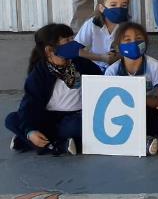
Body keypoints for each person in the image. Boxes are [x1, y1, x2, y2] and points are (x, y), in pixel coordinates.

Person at [6, 24, 102, 155]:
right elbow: (29, 103)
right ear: (50, 50)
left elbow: (100, 81)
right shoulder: (39, 72)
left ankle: (27, 141)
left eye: (72, 39)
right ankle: (59, 146)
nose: (73, 43)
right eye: (67, 41)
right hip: (46, 117)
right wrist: (30, 131)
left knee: (79, 125)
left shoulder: (82, 64)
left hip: (74, 117)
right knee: (12, 119)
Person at [105, 22, 158, 155]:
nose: (133, 43)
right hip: (121, 113)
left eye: (138, 39)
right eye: (127, 40)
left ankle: (145, 141)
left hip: (147, 111)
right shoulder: (112, 71)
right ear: (118, 46)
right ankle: (144, 142)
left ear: (146, 43)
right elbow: (108, 104)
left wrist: (138, 99)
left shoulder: (156, 67)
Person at [75, 0, 130, 71]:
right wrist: (101, 57)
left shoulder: (129, 27)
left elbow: (135, 50)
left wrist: (118, 57)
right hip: (95, 67)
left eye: (124, 5)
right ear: (101, 8)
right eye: (113, 5)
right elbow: (76, 50)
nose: (119, 9)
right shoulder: (92, 24)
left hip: (119, 68)